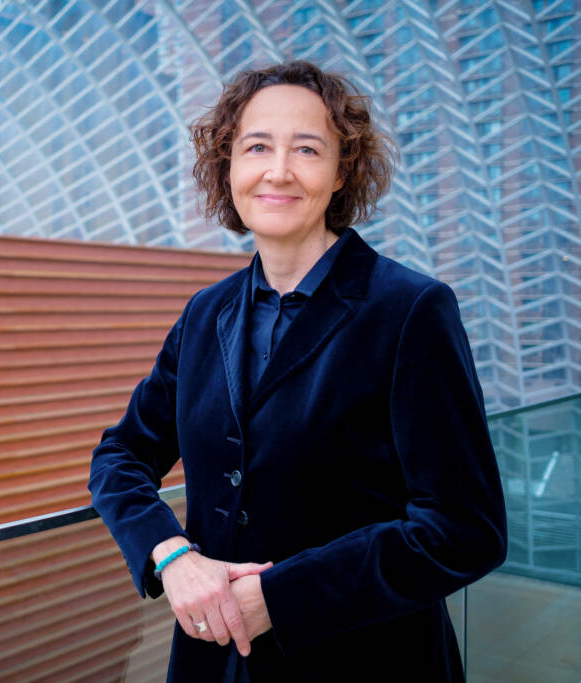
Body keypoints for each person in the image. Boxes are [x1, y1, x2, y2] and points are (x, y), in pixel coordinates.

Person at [88, 61, 507, 682]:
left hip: (366, 662)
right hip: (212, 663)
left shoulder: (410, 309)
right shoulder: (207, 314)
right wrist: (172, 554)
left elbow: (464, 528)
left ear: (342, 172)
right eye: (257, 147)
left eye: (307, 149)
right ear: (228, 166)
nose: (277, 170)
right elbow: (120, 455)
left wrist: (280, 598)